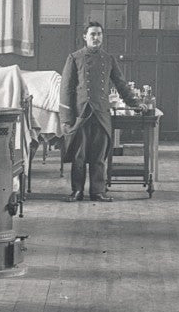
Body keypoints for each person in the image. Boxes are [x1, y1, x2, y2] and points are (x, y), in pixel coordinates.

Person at [58, 21, 139, 202]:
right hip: (81, 113)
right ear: (85, 37)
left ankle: (98, 191)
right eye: (93, 34)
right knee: (79, 155)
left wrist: (134, 104)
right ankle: (77, 191)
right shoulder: (75, 58)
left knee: (99, 155)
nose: (96, 37)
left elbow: (121, 84)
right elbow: (65, 90)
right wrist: (66, 118)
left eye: (99, 34)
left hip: (101, 113)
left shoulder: (108, 59)